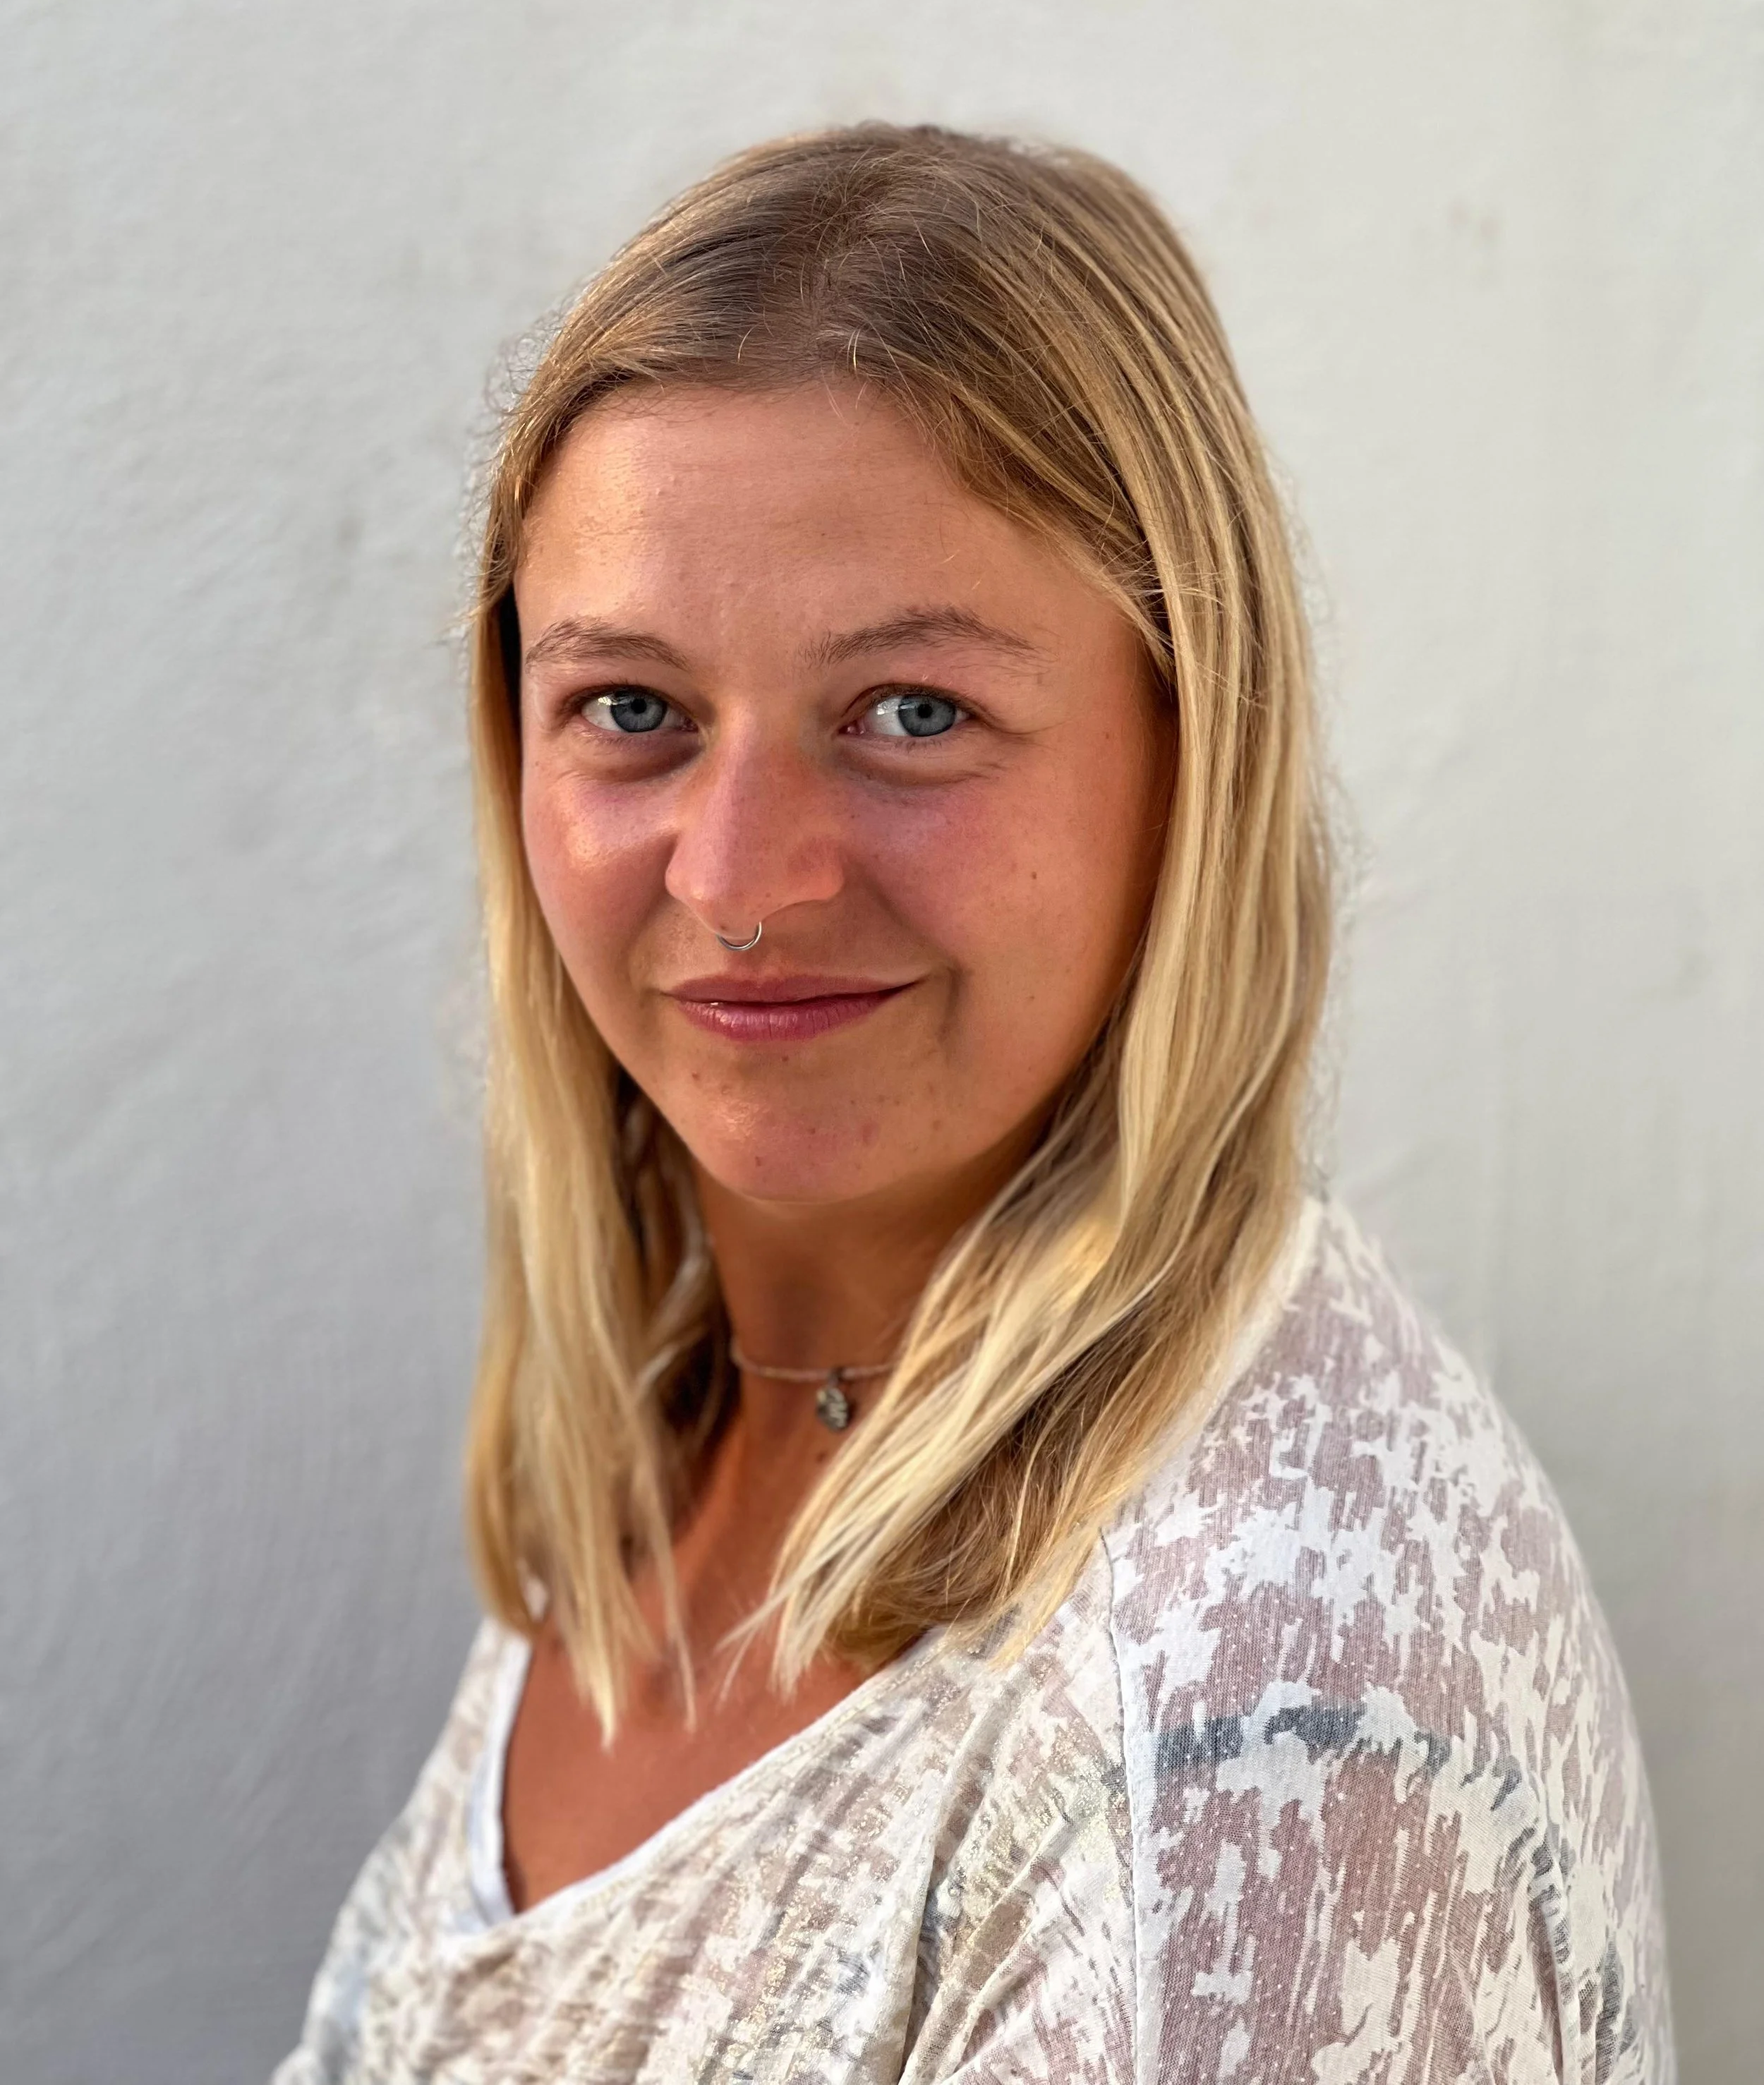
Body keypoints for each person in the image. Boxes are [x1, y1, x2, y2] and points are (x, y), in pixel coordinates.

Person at [274, 126, 1671, 2082]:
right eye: (633, 708)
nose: (741, 880)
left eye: (911, 713)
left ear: (1189, 750)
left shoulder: (1259, 1715)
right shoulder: (703, 1415)